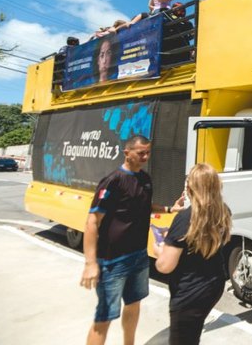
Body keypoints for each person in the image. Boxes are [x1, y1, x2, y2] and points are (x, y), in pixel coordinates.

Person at [80, 135, 183, 345]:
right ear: (127, 153)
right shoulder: (112, 181)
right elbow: (92, 222)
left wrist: (170, 209)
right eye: (140, 153)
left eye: (148, 152)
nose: (145, 157)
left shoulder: (145, 179)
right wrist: (90, 264)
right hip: (111, 261)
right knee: (105, 317)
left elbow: (145, 206)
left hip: (138, 256)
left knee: (134, 305)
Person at [154, 163, 232, 345]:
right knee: (192, 335)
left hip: (189, 293)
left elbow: (165, 266)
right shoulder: (223, 212)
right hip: (213, 285)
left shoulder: (184, 219)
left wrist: (159, 246)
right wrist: (172, 238)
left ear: (190, 189)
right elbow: (202, 240)